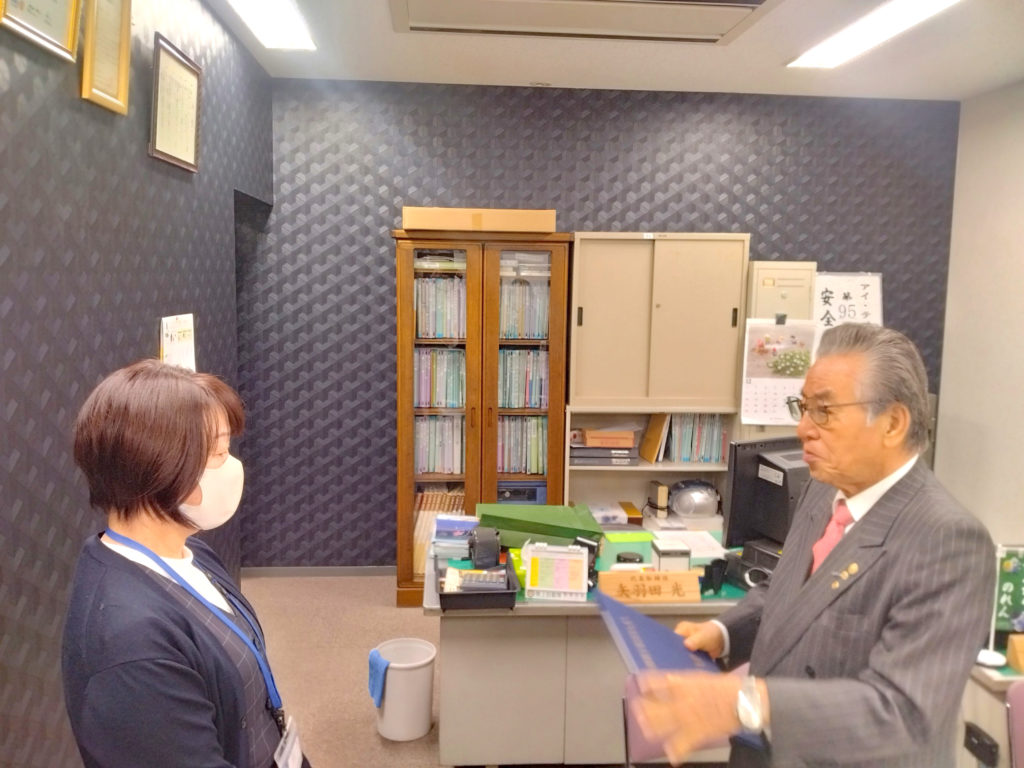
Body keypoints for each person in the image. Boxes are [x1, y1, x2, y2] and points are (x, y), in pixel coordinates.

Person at [631, 323, 995, 767]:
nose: (803, 429)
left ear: (893, 423)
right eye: (803, 408)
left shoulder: (947, 541)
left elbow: (903, 715)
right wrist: (724, 634)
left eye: (824, 411)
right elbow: (791, 591)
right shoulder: (822, 489)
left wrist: (745, 701)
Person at [62, 360, 306, 768]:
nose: (233, 466)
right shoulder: (130, 645)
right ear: (160, 467)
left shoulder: (191, 553)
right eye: (219, 453)